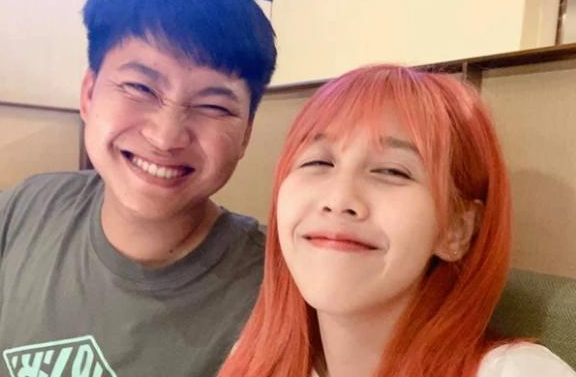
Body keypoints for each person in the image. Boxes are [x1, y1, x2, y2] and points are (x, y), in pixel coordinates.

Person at [0, 0, 276, 375]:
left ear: (246, 134)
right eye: (140, 87)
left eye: (213, 106)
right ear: (89, 93)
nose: (166, 137)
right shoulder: (30, 209)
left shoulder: (274, 290)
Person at [218, 65, 576, 377]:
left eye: (391, 171)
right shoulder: (255, 361)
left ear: (457, 229)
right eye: (318, 162)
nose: (338, 200)